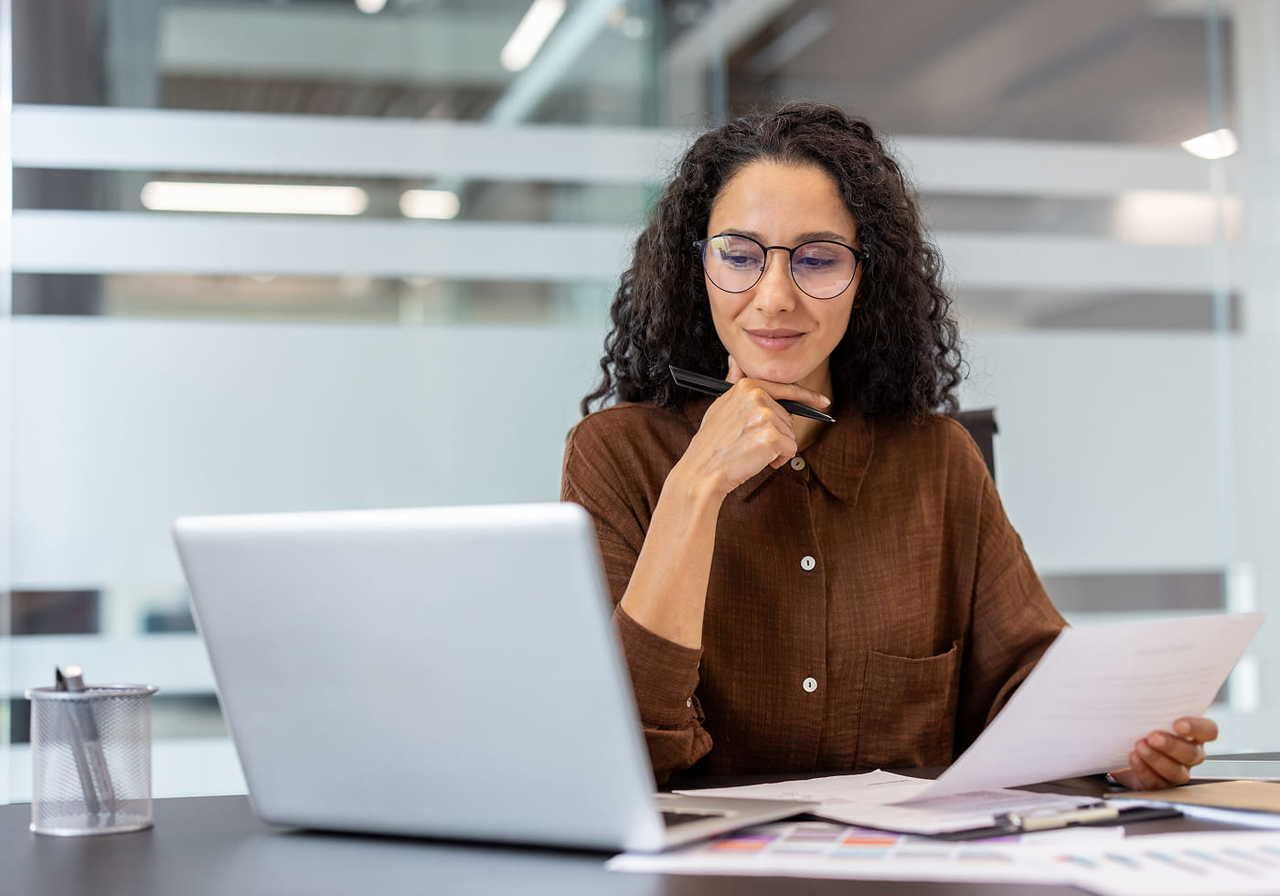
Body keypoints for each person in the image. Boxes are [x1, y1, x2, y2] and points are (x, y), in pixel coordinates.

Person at [560, 102, 1216, 789]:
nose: (775, 296)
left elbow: (1027, 688)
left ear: (865, 279)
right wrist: (696, 487)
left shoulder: (936, 460)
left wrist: (1115, 744)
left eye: (817, 259)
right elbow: (623, 750)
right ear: (697, 266)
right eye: (740, 256)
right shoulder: (615, 453)